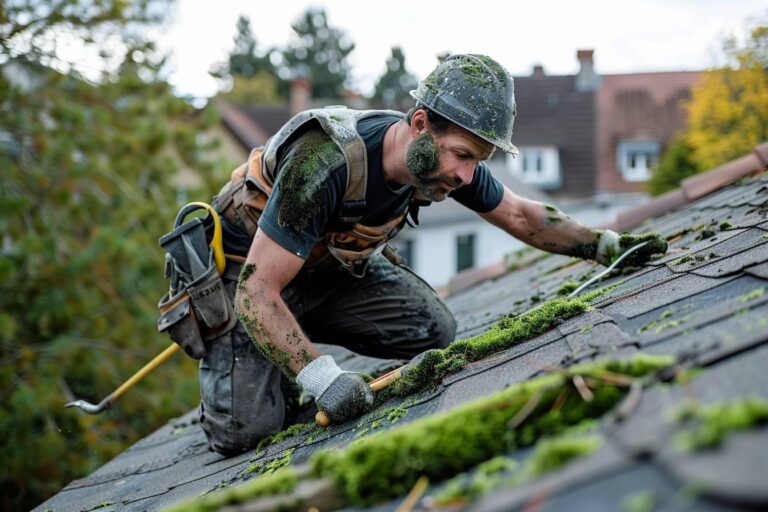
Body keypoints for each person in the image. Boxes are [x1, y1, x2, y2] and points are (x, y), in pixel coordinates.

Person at [183, 54, 666, 455]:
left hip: (327, 271)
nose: (466, 174)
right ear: (419, 124)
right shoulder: (324, 159)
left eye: (478, 160)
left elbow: (521, 216)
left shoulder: (439, 164)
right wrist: (321, 375)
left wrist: (607, 246)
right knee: (245, 434)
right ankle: (273, 365)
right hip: (249, 277)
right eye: (462, 155)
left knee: (433, 331)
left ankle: (293, 345)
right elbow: (256, 291)